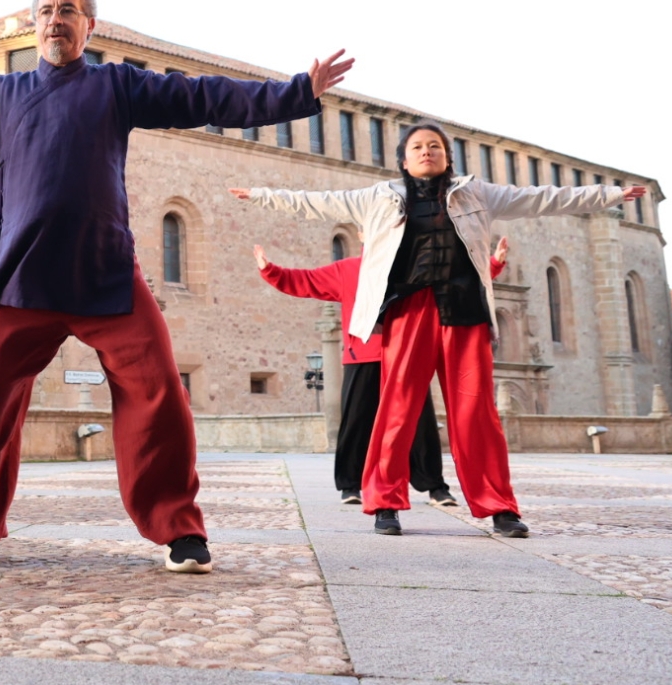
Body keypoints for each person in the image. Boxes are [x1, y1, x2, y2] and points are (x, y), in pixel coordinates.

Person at [0, 0, 352, 572]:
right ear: (32, 24)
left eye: (68, 10)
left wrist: (298, 94)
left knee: (160, 390)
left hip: (104, 272)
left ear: (90, 25)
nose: (56, 19)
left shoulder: (118, 85)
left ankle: (180, 531)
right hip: (22, 278)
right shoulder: (0, 94)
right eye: (46, 10)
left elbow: (204, 97)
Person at [233, 124, 645, 538]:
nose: (427, 151)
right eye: (417, 146)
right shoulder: (378, 197)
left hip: (463, 311)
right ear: (403, 159)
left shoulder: (477, 193)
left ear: (448, 155)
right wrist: (262, 195)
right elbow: (317, 203)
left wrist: (609, 195)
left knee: (477, 413)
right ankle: (384, 503)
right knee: (396, 409)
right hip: (408, 311)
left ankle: (500, 507)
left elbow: (541, 198)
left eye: (435, 146)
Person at [255, 236, 509, 505]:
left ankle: (435, 487)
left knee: (421, 424)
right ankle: (350, 485)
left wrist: (493, 264)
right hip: (362, 354)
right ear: (364, 235)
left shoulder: (416, 268)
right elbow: (305, 281)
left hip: (406, 353)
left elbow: (458, 283)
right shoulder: (348, 269)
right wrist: (269, 270)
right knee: (356, 422)